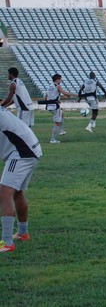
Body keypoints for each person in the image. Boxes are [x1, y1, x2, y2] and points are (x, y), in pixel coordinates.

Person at [0, 106, 42, 253]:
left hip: (21, 154)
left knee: (5, 194)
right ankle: (23, 233)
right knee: (17, 192)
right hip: (31, 150)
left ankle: (7, 243)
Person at [43, 74, 79, 144]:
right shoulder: (57, 86)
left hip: (49, 106)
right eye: (60, 79)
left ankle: (61, 130)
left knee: (62, 114)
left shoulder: (49, 87)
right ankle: (53, 139)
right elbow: (64, 92)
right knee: (57, 123)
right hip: (55, 106)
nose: (61, 80)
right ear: (57, 80)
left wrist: (56, 100)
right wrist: (75, 95)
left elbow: (46, 97)